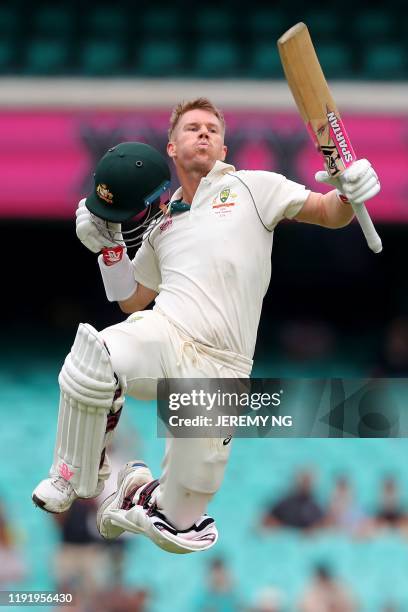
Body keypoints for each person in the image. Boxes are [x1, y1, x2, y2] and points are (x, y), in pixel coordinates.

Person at [32, 97, 380, 554]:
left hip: (223, 368)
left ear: (224, 145)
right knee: (94, 356)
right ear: (172, 148)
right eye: (193, 128)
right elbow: (133, 299)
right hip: (167, 334)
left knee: (179, 530)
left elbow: (328, 212)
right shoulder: (162, 223)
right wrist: (110, 249)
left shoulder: (255, 187)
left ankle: (136, 492)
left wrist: (348, 192)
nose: (203, 134)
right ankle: (73, 474)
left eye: (212, 129)